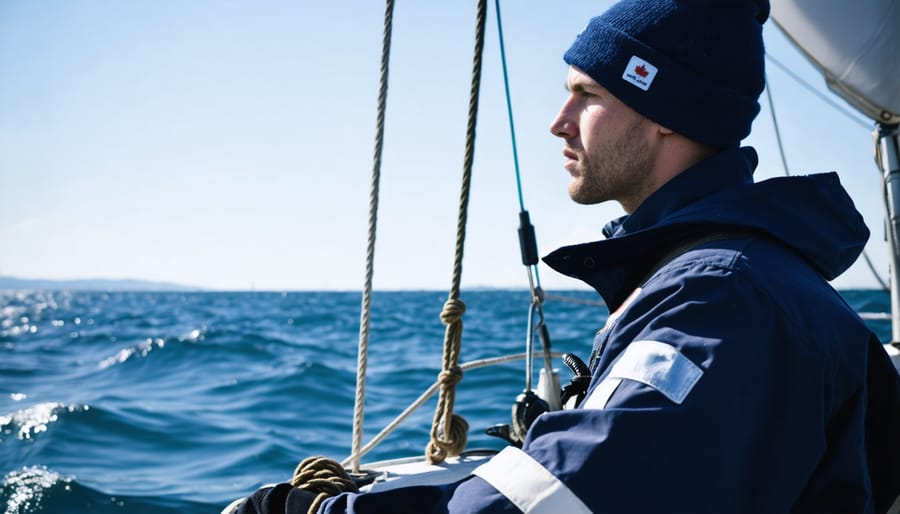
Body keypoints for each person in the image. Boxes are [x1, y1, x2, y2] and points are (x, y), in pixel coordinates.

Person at [235, 0, 900, 512]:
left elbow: (564, 501)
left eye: (588, 95)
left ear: (666, 112)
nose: (558, 120)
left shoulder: (722, 298)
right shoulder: (730, 277)